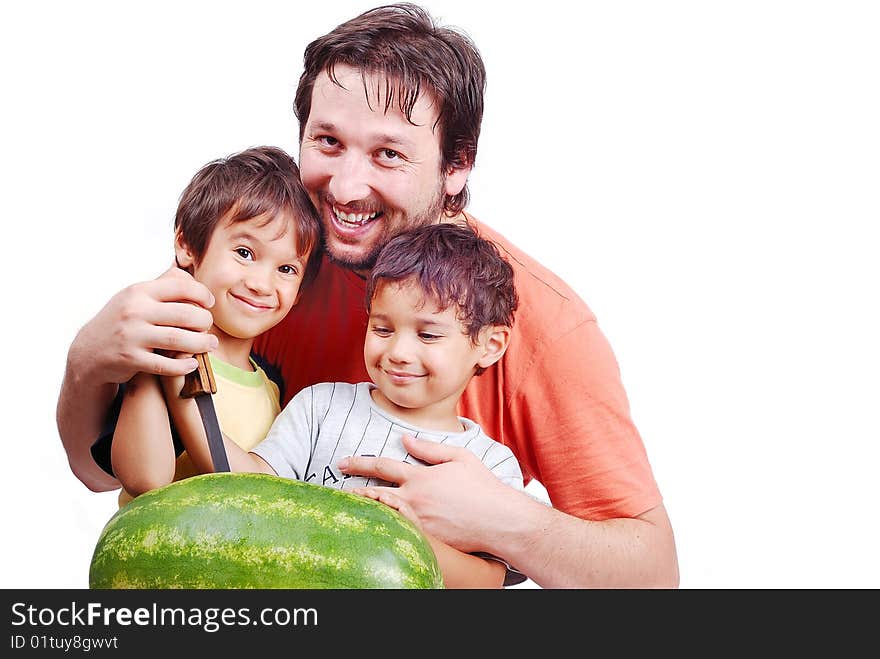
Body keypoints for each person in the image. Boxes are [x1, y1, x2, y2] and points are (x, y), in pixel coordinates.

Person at [57, 3, 679, 588]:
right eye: (328, 142)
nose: (347, 188)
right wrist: (89, 363)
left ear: (458, 164)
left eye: (388, 153)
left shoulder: (543, 324)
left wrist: (503, 522)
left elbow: (653, 574)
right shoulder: (276, 267)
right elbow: (108, 474)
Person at [153, 222, 526, 588]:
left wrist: (407, 538)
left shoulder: (490, 466)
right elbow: (249, 486)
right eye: (382, 329)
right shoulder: (321, 407)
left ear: (490, 345)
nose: (398, 352)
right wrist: (181, 390)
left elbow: (488, 580)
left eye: (428, 334)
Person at [110, 146, 321, 505]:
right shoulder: (156, 358)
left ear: (300, 292)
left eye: (286, 269)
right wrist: (159, 366)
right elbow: (145, 477)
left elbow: (262, 494)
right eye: (244, 253)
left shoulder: (272, 390)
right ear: (187, 245)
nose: (261, 283)